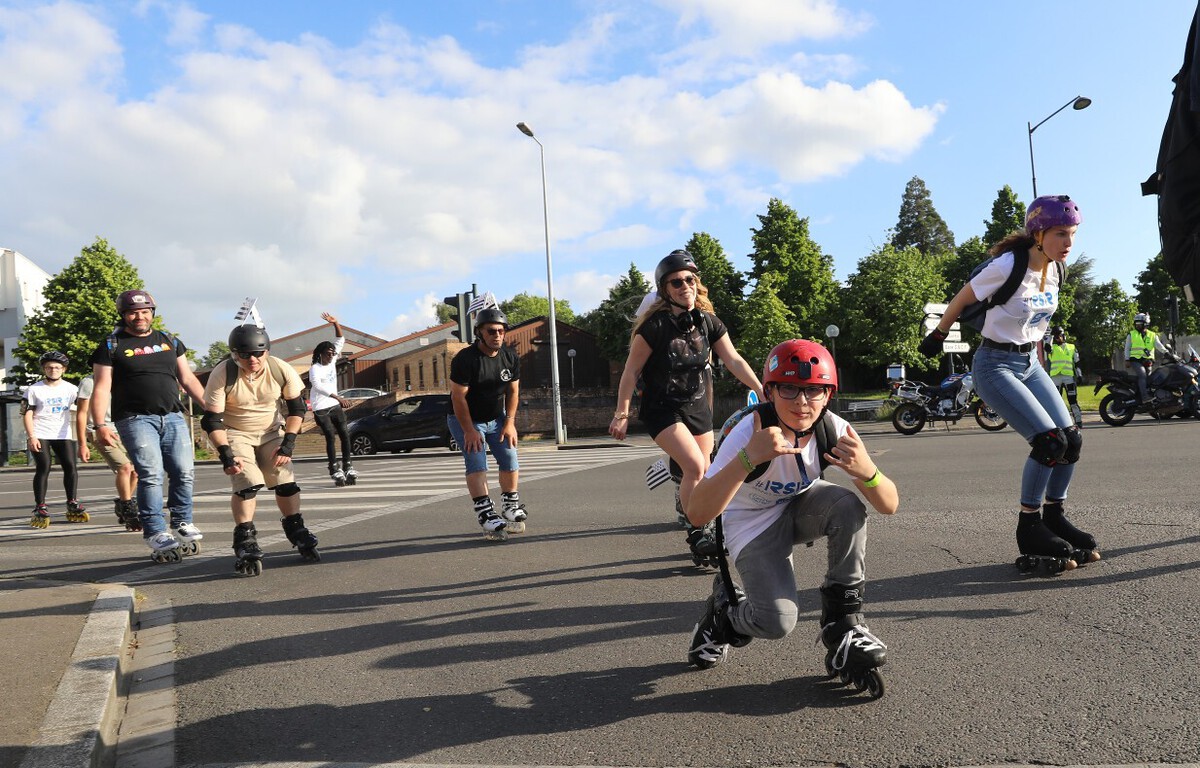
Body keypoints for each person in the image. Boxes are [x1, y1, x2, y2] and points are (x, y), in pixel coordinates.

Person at [684, 339, 898, 697]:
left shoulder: (835, 430)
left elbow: (888, 504)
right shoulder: (749, 430)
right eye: (789, 389)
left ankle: (843, 623)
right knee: (776, 622)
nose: (802, 403)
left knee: (848, 504)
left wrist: (868, 471)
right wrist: (747, 459)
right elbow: (698, 512)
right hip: (751, 525)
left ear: (828, 394)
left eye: (814, 391)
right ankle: (723, 617)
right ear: (769, 391)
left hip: (798, 507)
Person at [919, 195, 1099, 574]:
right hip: (994, 364)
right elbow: (962, 297)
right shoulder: (1007, 266)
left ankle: (1054, 515)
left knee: (1072, 439)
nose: (1069, 243)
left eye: (1073, 235)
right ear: (1038, 233)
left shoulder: (1056, 270)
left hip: (1029, 362)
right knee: (1049, 443)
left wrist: (1040, 365)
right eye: (1061, 234)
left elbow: (1035, 326)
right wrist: (938, 334)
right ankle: (1029, 525)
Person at [608, 249, 763, 558]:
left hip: (696, 407)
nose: (685, 287)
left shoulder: (708, 323)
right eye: (676, 282)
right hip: (662, 408)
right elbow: (630, 371)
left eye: (690, 280)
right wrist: (621, 413)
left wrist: (762, 389)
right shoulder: (654, 328)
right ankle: (697, 530)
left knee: (705, 469)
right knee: (694, 465)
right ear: (666, 290)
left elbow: (732, 358)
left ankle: (695, 511)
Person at [89, 289, 207, 564]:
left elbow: (187, 379)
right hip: (134, 419)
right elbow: (102, 387)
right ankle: (155, 531)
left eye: (144, 311)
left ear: (152, 312)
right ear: (123, 315)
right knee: (151, 474)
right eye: (133, 312)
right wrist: (100, 425)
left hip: (174, 416)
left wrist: (210, 408)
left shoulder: (168, 340)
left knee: (184, 471)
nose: (139, 316)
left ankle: (182, 522)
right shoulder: (111, 345)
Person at [202, 321, 318, 576]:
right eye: (244, 355)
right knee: (247, 481)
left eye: (258, 353)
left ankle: (295, 526)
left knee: (285, 479)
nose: (252, 359)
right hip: (235, 432)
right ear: (234, 354)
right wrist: (226, 454)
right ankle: (244, 536)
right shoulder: (223, 373)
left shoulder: (279, 368)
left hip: (270, 433)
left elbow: (297, 409)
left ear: (267, 351)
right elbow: (211, 420)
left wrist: (288, 444)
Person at [447, 307, 526, 541]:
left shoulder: (509, 357)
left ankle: (510, 507)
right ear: (479, 332)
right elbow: (457, 397)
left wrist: (509, 422)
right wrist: (469, 430)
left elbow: (513, 392)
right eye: (492, 331)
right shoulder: (465, 359)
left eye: (501, 331)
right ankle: (486, 514)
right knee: (477, 463)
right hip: (466, 419)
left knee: (510, 458)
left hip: (497, 417)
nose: (497, 336)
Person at [24, 351, 86, 528]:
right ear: (44, 369)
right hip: (41, 433)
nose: (53, 370)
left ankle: (72, 502)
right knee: (44, 467)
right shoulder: (34, 389)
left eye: (57, 367)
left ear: (64, 370)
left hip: (63, 433)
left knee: (71, 466)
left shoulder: (71, 389)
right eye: (49, 367)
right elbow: (27, 414)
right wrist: (31, 436)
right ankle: (40, 506)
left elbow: (83, 408)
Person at [76, 373, 139, 530]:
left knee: (137, 470)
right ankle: (128, 510)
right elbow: (81, 413)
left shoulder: (122, 379)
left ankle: (123, 502)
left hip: (124, 428)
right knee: (124, 467)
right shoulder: (89, 382)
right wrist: (82, 443)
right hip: (98, 431)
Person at [309, 312, 357, 486]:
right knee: (330, 434)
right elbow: (317, 386)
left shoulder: (332, 359)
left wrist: (336, 323)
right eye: (328, 354)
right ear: (321, 354)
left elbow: (340, 340)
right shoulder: (315, 368)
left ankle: (348, 464)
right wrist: (337, 396)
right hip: (320, 408)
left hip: (334, 405)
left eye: (332, 354)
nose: (331, 356)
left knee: (345, 433)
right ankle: (334, 467)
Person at [1124, 312, 1169, 404]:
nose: (1137, 326)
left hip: (1148, 360)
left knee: (1150, 378)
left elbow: (1159, 346)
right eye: (1136, 324)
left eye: (1139, 324)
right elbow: (1127, 348)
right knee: (1142, 375)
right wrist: (1127, 359)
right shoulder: (1131, 334)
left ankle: (1149, 396)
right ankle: (1144, 397)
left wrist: (1167, 352)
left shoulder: (1152, 335)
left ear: (1146, 324)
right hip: (1135, 360)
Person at [1045, 326, 1083, 428]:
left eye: (1060, 336)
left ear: (1064, 335)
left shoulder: (1071, 347)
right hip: (1055, 378)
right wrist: (1051, 337)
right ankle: (1056, 424)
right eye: (1056, 336)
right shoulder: (1052, 347)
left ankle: (1078, 421)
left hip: (1068, 377)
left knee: (1073, 400)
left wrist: (1079, 375)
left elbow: (1077, 362)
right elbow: (1047, 348)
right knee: (1055, 402)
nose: (1058, 338)